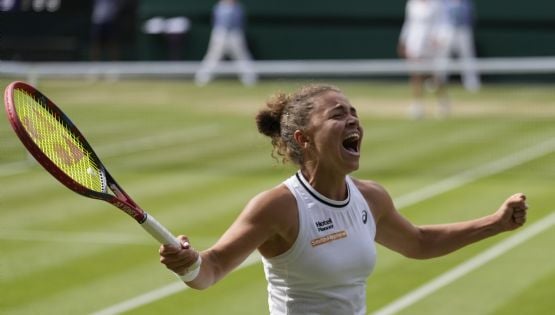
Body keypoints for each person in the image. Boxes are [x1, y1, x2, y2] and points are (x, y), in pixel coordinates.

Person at [159, 84, 528, 315]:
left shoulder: (370, 198)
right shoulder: (278, 206)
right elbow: (212, 270)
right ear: (304, 139)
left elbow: (419, 242)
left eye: (354, 113)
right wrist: (188, 263)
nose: (353, 121)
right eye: (338, 115)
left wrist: (495, 223)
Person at [398, 0, 449, 119]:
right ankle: (418, 105)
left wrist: (439, 38)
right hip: (414, 42)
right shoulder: (412, 4)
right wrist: (403, 41)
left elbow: (441, 22)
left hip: (431, 44)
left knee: (433, 75)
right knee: (415, 75)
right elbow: (408, 23)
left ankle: (443, 102)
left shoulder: (436, 4)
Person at [194, 0, 258, 86]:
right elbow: (215, 21)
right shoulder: (218, 7)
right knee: (213, 56)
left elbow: (241, 22)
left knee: (242, 56)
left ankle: (250, 79)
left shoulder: (238, 8)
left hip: (235, 34)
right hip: (220, 34)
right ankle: (202, 79)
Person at [435, 0, 481, 92]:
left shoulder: (466, 3)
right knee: (442, 56)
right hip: (446, 30)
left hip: (463, 30)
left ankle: (471, 83)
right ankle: (439, 81)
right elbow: (439, 17)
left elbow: (470, 16)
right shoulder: (442, 2)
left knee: (467, 56)